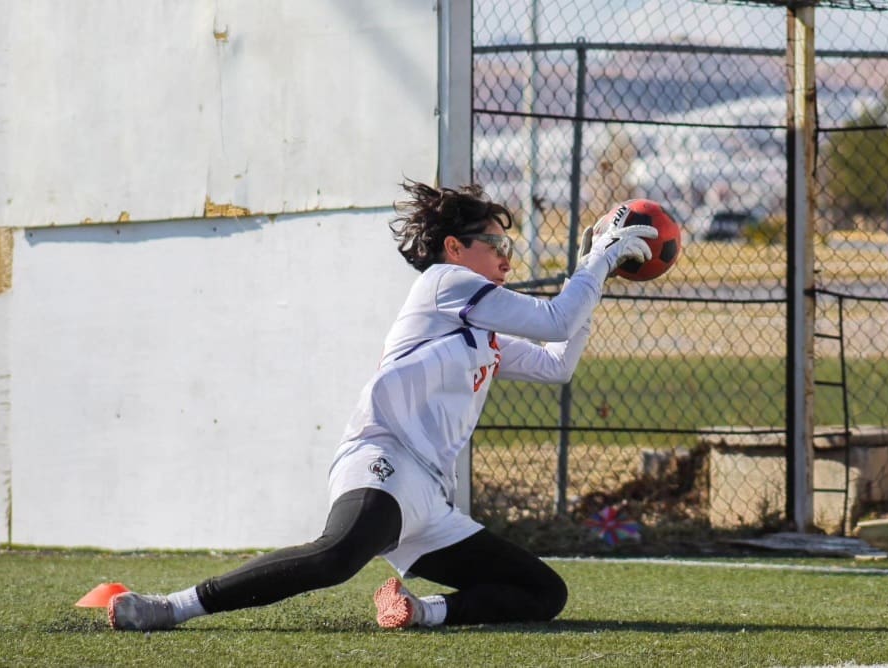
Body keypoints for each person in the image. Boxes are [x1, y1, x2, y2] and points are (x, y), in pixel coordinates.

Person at [108, 180, 656, 631]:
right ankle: (172, 607)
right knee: (335, 557)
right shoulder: (446, 282)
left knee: (543, 592)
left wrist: (594, 272)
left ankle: (421, 611)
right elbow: (555, 320)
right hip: (383, 460)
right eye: (497, 245)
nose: (507, 258)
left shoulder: (481, 332)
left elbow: (557, 362)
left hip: (428, 499)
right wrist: (597, 265)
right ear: (455, 249)